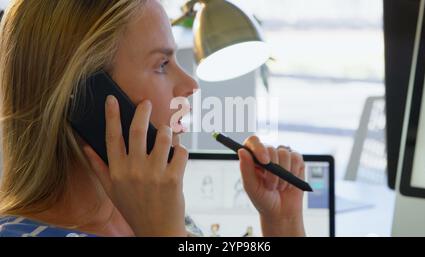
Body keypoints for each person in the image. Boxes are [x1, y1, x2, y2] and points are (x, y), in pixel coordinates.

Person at [0, 0, 306, 237]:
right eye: (162, 64)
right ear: (86, 97)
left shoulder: (164, 214)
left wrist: (283, 221)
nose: (190, 85)